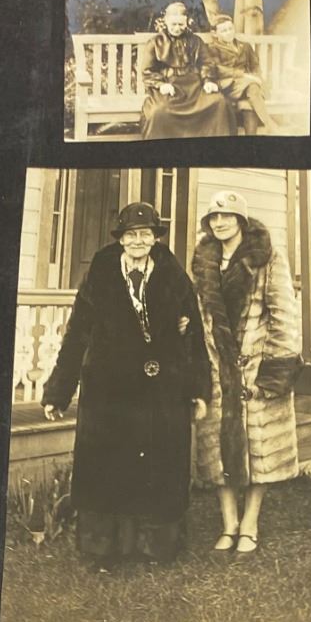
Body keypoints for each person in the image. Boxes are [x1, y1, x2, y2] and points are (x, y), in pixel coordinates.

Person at [41, 202, 211, 571]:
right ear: (120, 239)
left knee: (157, 466)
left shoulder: (173, 277)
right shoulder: (100, 275)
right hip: (109, 389)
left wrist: (198, 390)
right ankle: (104, 551)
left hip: (162, 391)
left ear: (155, 238)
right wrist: (58, 391)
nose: (138, 241)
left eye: (145, 234)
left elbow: (194, 337)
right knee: (109, 466)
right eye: (131, 235)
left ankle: (155, 549)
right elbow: (77, 334)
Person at [191, 190, 302, 556]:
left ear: (241, 220)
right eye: (214, 217)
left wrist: (271, 373)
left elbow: (283, 315)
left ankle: (250, 522)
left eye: (227, 216)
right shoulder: (204, 261)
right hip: (216, 367)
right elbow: (199, 315)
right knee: (217, 449)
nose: (220, 223)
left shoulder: (266, 257)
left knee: (260, 449)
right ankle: (229, 524)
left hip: (255, 368)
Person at [138, 2, 234, 139]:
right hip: (169, 86)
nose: (177, 28)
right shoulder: (155, 42)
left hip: (194, 86)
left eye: (181, 24)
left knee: (218, 102)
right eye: (174, 24)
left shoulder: (196, 41)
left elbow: (206, 63)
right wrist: (161, 84)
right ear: (166, 21)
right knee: (158, 112)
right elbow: (147, 71)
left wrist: (208, 80)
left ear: (186, 22)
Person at [202, 13, 272, 135]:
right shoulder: (212, 49)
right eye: (224, 31)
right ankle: (271, 126)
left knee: (248, 102)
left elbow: (255, 65)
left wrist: (256, 77)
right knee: (252, 86)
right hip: (227, 85)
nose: (229, 33)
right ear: (215, 33)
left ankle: (253, 137)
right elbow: (218, 69)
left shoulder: (244, 46)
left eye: (230, 29)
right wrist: (243, 75)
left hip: (246, 87)